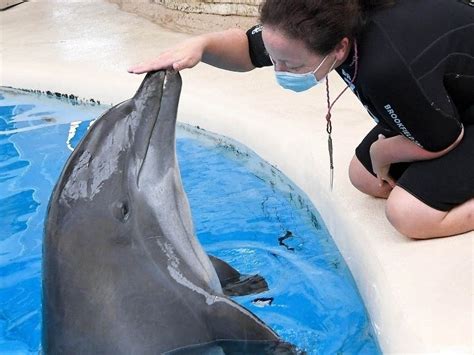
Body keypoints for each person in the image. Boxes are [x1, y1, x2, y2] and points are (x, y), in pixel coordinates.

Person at [129, 0, 474, 239]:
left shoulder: (384, 68)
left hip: (451, 122)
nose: (279, 69)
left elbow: (443, 139)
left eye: (291, 65)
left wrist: (382, 155)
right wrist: (200, 46)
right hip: (448, 99)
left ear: (338, 50)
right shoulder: (327, 21)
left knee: (408, 214)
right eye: (276, 58)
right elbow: (250, 51)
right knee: (363, 178)